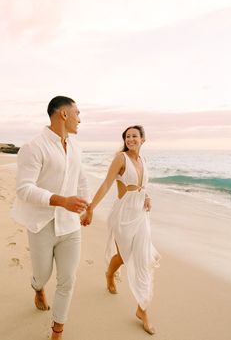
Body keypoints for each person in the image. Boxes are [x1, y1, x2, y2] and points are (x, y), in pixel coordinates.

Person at [11, 96, 90, 340]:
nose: (80, 118)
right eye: (77, 112)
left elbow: (81, 179)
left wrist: (88, 209)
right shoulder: (33, 147)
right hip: (40, 224)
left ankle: (57, 331)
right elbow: (24, 188)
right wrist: (62, 200)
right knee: (43, 274)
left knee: (68, 279)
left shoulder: (76, 147)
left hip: (70, 226)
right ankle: (38, 287)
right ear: (63, 114)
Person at [81, 125, 160, 335]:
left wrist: (148, 197)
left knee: (143, 260)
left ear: (143, 139)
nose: (131, 139)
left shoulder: (143, 161)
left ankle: (142, 309)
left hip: (141, 215)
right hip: (123, 216)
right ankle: (109, 275)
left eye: (135, 136)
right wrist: (90, 209)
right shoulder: (120, 159)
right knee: (125, 257)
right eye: (128, 136)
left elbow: (142, 186)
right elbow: (107, 184)